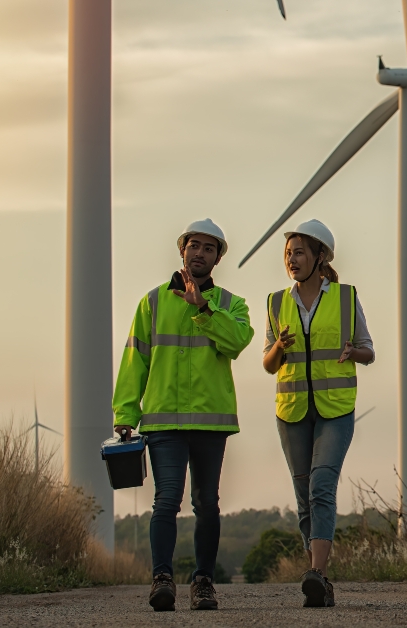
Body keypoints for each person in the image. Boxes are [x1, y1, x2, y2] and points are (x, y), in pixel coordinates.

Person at [112, 219, 254, 612]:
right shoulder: (153, 302)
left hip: (210, 421)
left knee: (207, 504)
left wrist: (203, 308)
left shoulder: (231, 304)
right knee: (166, 501)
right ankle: (162, 580)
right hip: (163, 421)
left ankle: (203, 583)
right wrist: (125, 412)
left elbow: (237, 342)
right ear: (182, 250)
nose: (200, 253)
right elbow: (135, 360)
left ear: (218, 258)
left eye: (209, 248)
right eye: (195, 245)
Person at [261, 219, 374, 608]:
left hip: (335, 409)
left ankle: (317, 573)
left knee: (322, 486)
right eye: (288, 253)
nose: (291, 260)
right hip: (291, 411)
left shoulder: (345, 297)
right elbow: (268, 364)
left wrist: (353, 352)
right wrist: (278, 346)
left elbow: (369, 350)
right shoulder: (276, 303)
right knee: (304, 494)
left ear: (320, 256)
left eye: (299, 252)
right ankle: (318, 581)